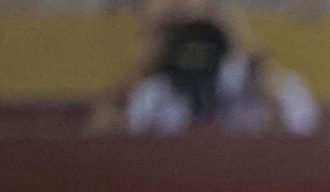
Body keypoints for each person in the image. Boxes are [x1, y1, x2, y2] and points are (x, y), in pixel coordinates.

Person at [91, 0, 318, 135]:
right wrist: (145, 68)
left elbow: (297, 138)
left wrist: (249, 56)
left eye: (198, 32)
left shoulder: (251, 83)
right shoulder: (151, 93)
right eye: (176, 31)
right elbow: (103, 144)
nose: (192, 46)